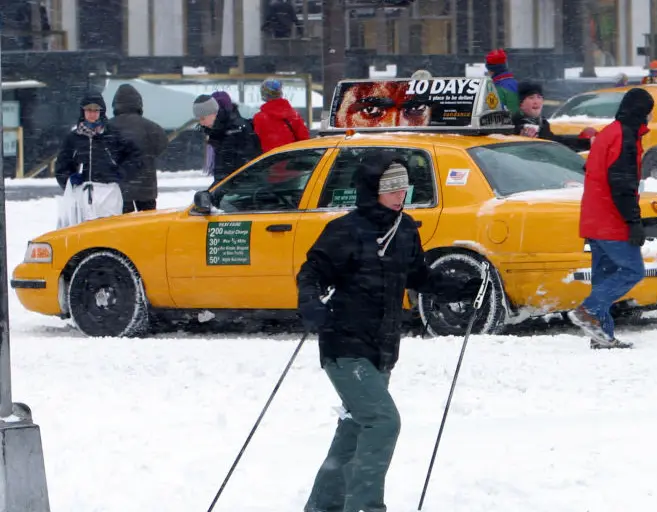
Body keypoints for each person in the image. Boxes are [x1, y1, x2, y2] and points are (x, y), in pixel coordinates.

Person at [297, 153, 483, 512]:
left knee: (356, 428)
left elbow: (418, 276)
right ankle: (366, 506)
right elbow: (312, 274)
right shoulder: (345, 230)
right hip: (344, 343)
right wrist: (311, 303)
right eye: (390, 189)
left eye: (403, 188)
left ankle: (324, 506)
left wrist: (458, 287)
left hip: (381, 346)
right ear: (371, 190)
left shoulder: (405, 230)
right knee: (382, 422)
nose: (399, 195)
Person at [568, 88, 655, 350]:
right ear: (641, 111)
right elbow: (622, 185)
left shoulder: (609, 133)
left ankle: (601, 336)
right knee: (632, 271)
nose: (650, 117)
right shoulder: (624, 137)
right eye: (649, 112)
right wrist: (633, 222)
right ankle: (588, 310)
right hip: (611, 219)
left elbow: (594, 171)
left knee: (604, 276)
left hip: (594, 218)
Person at [54, 92, 142, 226]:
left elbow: (135, 156)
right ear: (82, 111)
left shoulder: (112, 135)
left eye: (96, 110)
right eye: (89, 110)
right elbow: (61, 165)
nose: (92, 114)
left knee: (108, 231)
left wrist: (122, 174)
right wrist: (69, 179)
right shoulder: (73, 138)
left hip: (109, 193)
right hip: (81, 193)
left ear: (102, 112)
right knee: (81, 233)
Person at [108, 83, 169, 213]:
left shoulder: (108, 127)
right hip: (147, 186)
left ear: (115, 104)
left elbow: (105, 153)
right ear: (138, 103)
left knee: (124, 226)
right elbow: (162, 144)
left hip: (120, 188)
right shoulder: (152, 127)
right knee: (147, 225)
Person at [193, 93, 260, 184]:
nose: (201, 123)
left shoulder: (233, 131)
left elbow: (233, 170)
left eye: (203, 118)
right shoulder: (219, 131)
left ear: (214, 112)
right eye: (199, 119)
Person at [512, 81, 595, 151]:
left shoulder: (542, 124)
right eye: (531, 97)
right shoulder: (512, 125)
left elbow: (558, 144)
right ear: (520, 103)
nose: (536, 101)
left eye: (539, 97)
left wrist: (587, 143)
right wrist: (521, 142)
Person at [252, 78, 310, 152]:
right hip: (292, 159)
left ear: (263, 95)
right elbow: (304, 140)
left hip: (269, 161)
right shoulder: (293, 115)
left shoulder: (259, 118)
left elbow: (256, 143)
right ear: (280, 93)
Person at [485, 48, 519, 115]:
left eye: (488, 69)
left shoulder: (496, 87)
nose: (488, 72)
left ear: (493, 70)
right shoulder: (515, 83)